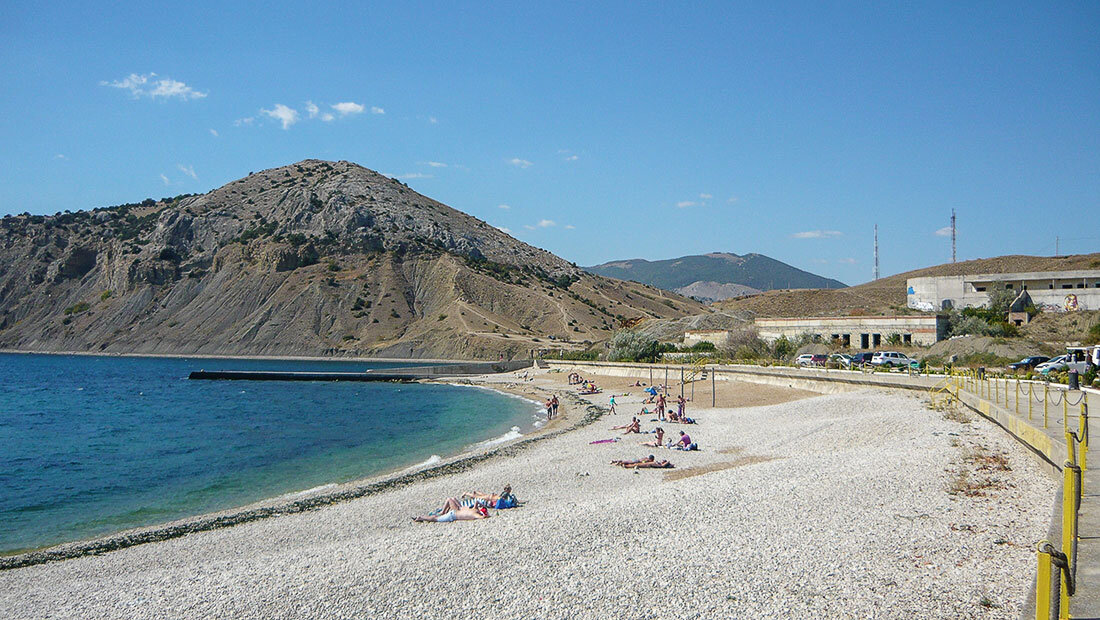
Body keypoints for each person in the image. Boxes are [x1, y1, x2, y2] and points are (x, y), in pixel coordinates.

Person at [413, 498, 489, 522]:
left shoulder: (475, 511)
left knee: (450, 499)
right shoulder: (475, 512)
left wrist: (484, 509)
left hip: (454, 514)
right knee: (436, 519)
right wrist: (486, 515)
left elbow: (477, 502)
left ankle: (421, 518)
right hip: (454, 513)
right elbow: (482, 517)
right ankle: (421, 518)